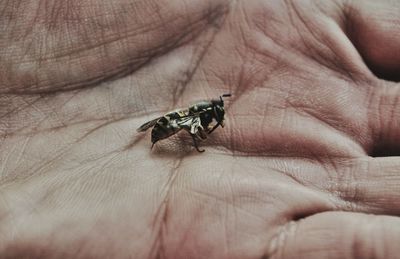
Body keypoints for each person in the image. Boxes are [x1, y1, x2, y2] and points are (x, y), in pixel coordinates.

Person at [0, 0, 399, 258]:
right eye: (216, 111)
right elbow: (194, 127)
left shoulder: (204, 110)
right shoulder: (195, 117)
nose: (217, 115)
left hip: (161, 128)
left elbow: (201, 121)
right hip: (163, 132)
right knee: (185, 129)